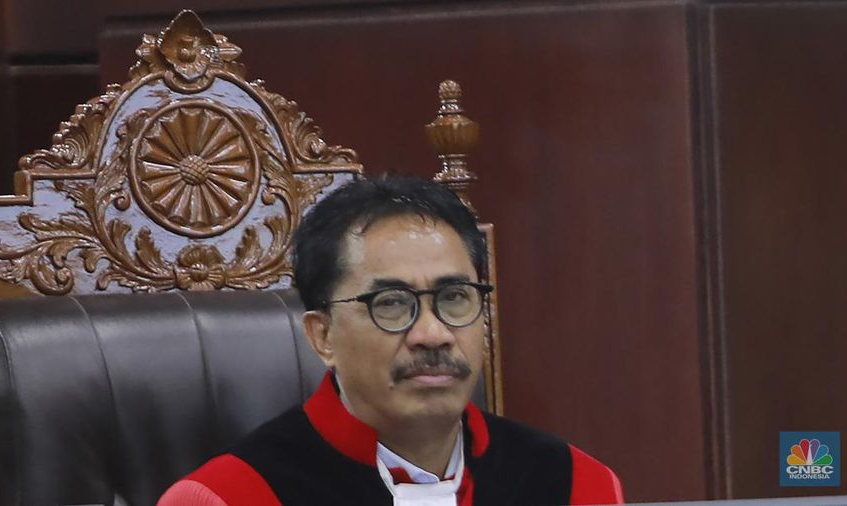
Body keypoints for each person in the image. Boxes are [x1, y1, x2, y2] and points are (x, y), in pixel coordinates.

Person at [157, 176, 623, 505]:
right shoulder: (228, 497)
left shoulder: (575, 486)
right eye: (393, 304)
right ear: (323, 336)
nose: (433, 334)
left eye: (454, 298)